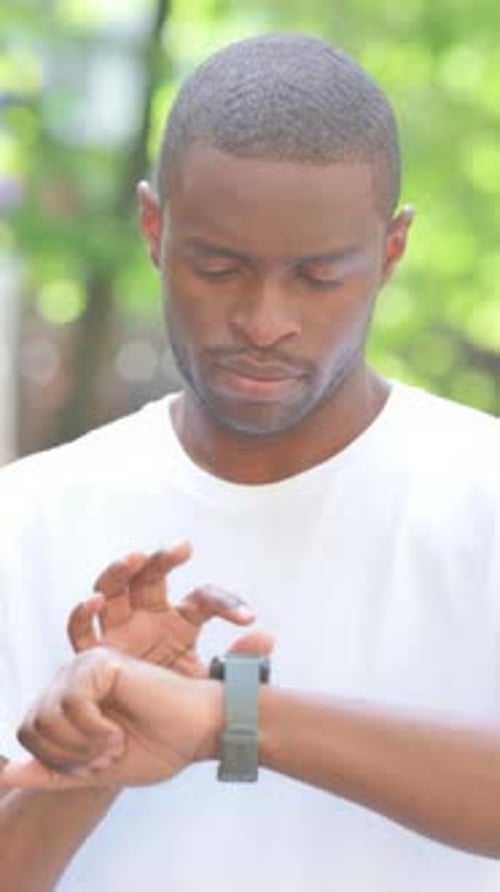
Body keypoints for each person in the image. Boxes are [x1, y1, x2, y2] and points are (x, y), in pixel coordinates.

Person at [0, 30, 499, 892]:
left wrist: (229, 718)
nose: (265, 321)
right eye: (219, 267)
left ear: (391, 251)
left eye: (318, 277)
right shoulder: (25, 520)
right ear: (154, 229)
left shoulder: (483, 495)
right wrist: (98, 745)